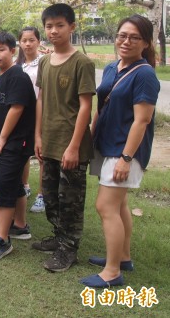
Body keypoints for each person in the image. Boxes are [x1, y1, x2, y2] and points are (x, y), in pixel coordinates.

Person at [80, 15, 160, 288]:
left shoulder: (145, 74)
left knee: (106, 206)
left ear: (146, 43)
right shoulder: (113, 67)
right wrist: (91, 137)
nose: (126, 41)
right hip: (106, 143)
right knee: (120, 204)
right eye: (122, 35)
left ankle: (112, 272)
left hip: (124, 149)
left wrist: (126, 158)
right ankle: (122, 257)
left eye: (134, 37)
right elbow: (102, 106)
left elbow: (143, 120)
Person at [33, 3, 95, 272]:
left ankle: (68, 249)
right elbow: (41, 100)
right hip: (49, 141)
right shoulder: (45, 61)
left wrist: (73, 147)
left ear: (72, 27)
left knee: (70, 200)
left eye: (60, 25)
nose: (54, 31)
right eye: (49, 26)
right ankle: (59, 237)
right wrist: (38, 135)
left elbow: (85, 107)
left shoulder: (82, 62)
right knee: (50, 196)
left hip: (72, 144)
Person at [0, 32, 35, 262]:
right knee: (11, 183)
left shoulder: (17, 76)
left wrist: (1, 138)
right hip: (2, 142)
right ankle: (19, 226)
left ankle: (2, 240)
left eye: (1, 49)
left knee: (2, 185)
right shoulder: (2, 76)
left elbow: (16, 108)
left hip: (14, 141)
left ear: (13, 50)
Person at [16, 27, 46, 213]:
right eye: (24, 40)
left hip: (41, 113)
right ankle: (25, 186)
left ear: (38, 41)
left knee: (41, 153)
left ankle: (42, 195)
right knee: (23, 152)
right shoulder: (16, 65)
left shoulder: (44, 62)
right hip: (20, 115)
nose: (28, 44)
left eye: (32, 40)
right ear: (19, 43)